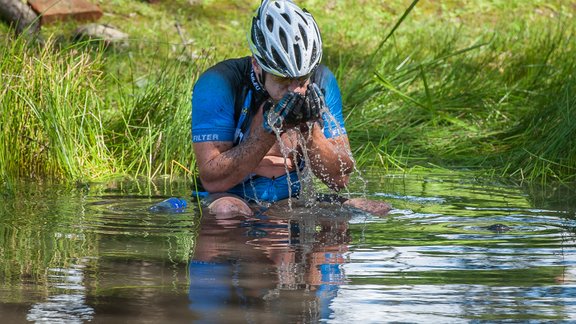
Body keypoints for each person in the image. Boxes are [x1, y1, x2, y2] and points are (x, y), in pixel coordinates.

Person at [191, 0, 390, 216]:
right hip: (231, 196)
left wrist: (309, 131)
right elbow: (212, 180)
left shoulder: (321, 82)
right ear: (257, 64)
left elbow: (340, 178)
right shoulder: (220, 83)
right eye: (283, 79)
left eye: (302, 78)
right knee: (227, 210)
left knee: (375, 209)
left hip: (291, 199)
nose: (296, 90)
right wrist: (268, 132)